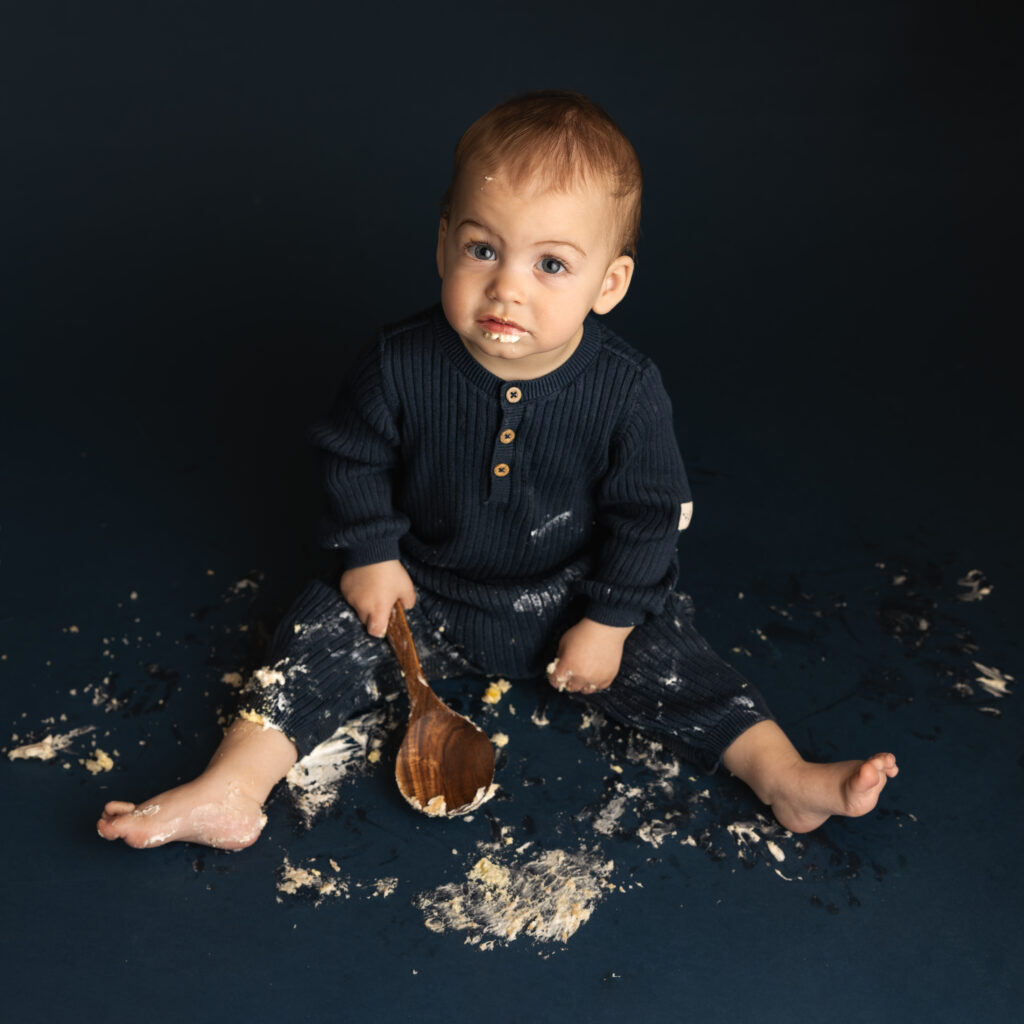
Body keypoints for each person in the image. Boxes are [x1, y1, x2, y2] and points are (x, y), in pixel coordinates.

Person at [97, 91, 897, 851]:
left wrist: (610, 620)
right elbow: (351, 458)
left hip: (570, 590)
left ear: (608, 283)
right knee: (317, 638)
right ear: (443, 241)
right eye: (483, 249)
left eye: (552, 265)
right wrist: (372, 553)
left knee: (675, 659)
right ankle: (233, 786)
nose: (507, 287)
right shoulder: (398, 363)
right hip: (423, 588)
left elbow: (648, 516)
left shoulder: (625, 390)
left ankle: (782, 775)